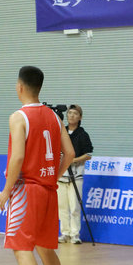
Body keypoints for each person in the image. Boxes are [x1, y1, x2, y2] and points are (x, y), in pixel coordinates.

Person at [0, 66, 76, 265]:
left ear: (19, 87)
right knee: (45, 247)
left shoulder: (18, 117)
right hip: (48, 190)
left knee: (21, 247)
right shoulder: (54, 116)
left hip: (26, 189)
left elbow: (17, 157)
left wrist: (6, 190)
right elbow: (70, 153)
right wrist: (54, 176)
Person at [57, 104, 93, 245]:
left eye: (75, 114)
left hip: (76, 176)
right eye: (70, 113)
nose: (72, 116)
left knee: (74, 207)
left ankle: (75, 234)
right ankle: (65, 233)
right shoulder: (61, 132)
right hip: (61, 176)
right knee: (62, 207)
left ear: (80, 117)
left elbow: (88, 154)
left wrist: (73, 160)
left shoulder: (83, 134)